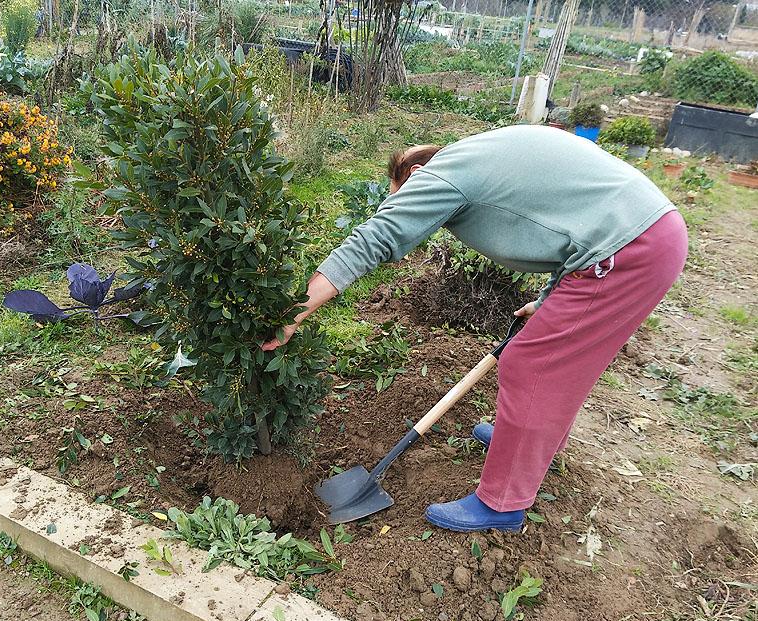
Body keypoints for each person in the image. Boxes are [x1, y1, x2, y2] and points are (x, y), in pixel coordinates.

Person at [262, 124, 688, 533]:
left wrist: (294, 312)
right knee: (558, 359)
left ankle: (502, 503)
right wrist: (547, 301)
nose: (404, 209)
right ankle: (528, 445)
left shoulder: (442, 176)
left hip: (629, 250)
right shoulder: (474, 158)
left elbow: (374, 238)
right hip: (639, 233)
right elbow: (573, 224)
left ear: (415, 175)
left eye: (400, 198)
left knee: (533, 365)